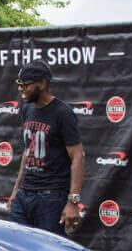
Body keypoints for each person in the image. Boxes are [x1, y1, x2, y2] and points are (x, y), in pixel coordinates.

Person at [7, 59, 84, 236]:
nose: (21, 89)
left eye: (26, 84)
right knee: (16, 246)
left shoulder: (62, 113)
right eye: (19, 84)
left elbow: (78, 157)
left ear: (42, 83)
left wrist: (73, 202)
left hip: (51, 198)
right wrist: (16, 190)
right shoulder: (27, 109)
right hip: (25, 194)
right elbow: (28, 152)